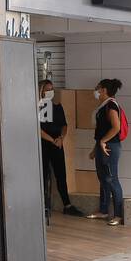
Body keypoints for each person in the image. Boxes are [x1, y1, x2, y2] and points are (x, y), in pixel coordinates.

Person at [39, 80, 83, 217]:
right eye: (47, 89)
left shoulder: (57, 107)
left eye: (52, 89)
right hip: (44, 144)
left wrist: (61, 138)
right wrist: (52, 140)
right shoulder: (38, 108)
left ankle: (67, 205)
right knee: (43, 175)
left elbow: (64, 125)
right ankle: (42, 205)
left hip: (57, 143)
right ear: (41, 91)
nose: (50, 92)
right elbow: (38, 129)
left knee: (61, 175)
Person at [87, 78, 124, 226]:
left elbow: (116, 127)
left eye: (97, 88)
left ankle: (118, 215)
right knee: (103, 179)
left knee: (112, 179)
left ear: (103, 90)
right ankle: (103, 210)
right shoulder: (102, 106)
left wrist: (102, 142)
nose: (95, 91)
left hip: (110, 147)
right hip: (102, 146)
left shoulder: (111, 105)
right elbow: (101, 131)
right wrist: (96, 148)